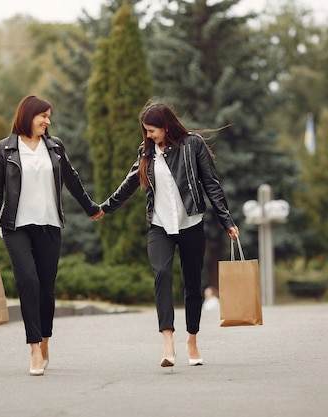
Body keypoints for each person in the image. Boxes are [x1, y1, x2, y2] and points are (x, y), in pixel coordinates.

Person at [100, 101, 239, 368]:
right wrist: (105, 208)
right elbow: (130, 183)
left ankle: (192, 340)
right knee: (162, 274)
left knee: (192, 284)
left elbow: (211, 183)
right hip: (159, 225)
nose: (149, 135)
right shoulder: (146, 152)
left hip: (191, 223)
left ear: (166, 126)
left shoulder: (193, 145)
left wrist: (227, 221)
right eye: (146, 131)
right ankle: (168, 343)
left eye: (152, 130)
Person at [0, 95, 104, 376]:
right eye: (43, 116)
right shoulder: (3, 150)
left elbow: (72, 179)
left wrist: (90, 208)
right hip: (16, 227)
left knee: (46, 287)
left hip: (49, 225)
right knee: (28, 282)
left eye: (49, 117)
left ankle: (45, 339)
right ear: (27, 116)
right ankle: (34, 346)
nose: (47, 121)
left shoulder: (54, 147)